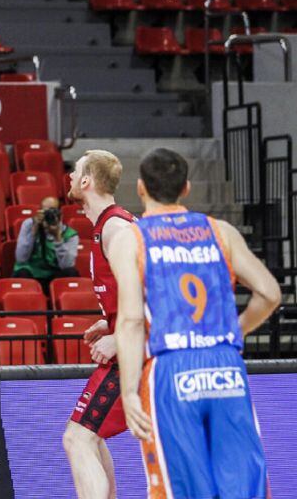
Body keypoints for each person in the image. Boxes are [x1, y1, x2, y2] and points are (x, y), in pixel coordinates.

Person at [110, 148, 280, 499]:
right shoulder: (220, 231)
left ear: (140, 188)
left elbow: (129, 320)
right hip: (225, 364)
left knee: (182, 490)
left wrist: (128, 391)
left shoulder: (131, 237)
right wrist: (235, 332)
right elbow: (269, 294)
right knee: (242, 487)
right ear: (186, 188)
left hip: (171, 369)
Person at [62, 150, 135, 499]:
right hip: (132, 346)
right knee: (87, 435)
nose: (70, 177)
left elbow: (157, 291)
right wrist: (110, 322)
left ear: (87, 181)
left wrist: (120, 338)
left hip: (135, 354)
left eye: (75, 171)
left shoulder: (115, 227)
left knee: (78, 437)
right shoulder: (107, 225)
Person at [12, 196, 80, 291]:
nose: (49, 215)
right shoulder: (29, 224)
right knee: (22, 273)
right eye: (45, 211)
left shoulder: (70, 234)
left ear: (60, 214)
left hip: (54, 275)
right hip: (32, 272)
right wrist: (33, 232)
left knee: (71, 273)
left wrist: (58, 238)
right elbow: (21, 258)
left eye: (52, 211)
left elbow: (66, 265)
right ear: (39, 212)